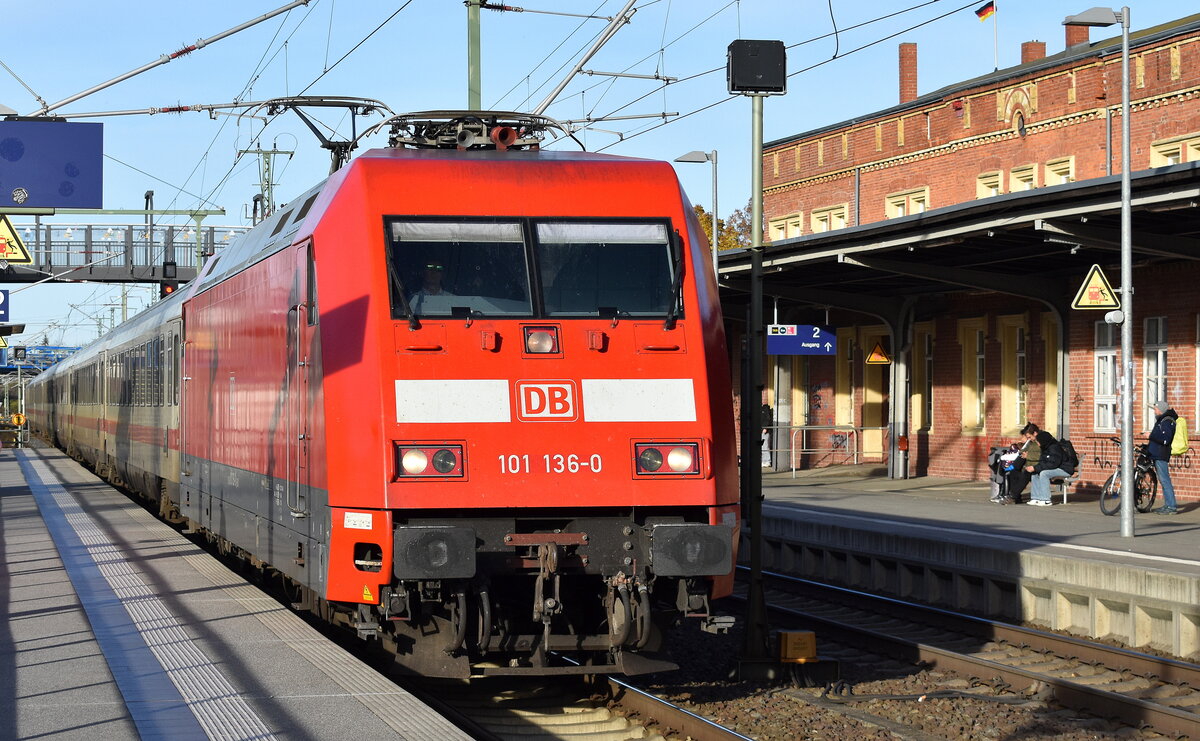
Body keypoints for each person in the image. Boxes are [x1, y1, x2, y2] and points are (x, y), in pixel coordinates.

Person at [1023, 422, 1073, 506]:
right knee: (1035, 473)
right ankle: (1036, 497)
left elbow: (1053, 464)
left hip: (1064, 469)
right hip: (1056, 467)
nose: (1037, 444)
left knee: (1044, 473)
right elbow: (1043, 461)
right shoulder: (1045, 448)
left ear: (1043, 441)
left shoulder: (1054, 448)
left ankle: (1046, 499)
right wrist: (1035, 468)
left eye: (1038, 442)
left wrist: (1036, 468)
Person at [1147, 400, 1179, 515]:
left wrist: (1151, 436)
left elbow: (1165, 439)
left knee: (1165, 480)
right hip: (1157, 453)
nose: (1154, 411)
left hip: (1161, 454)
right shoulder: (1162, 420)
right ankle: (1168, 505)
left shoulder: (1166, 421)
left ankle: (1171, 506)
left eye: (1155, 409)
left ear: (1161, 410)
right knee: (1163, 480)